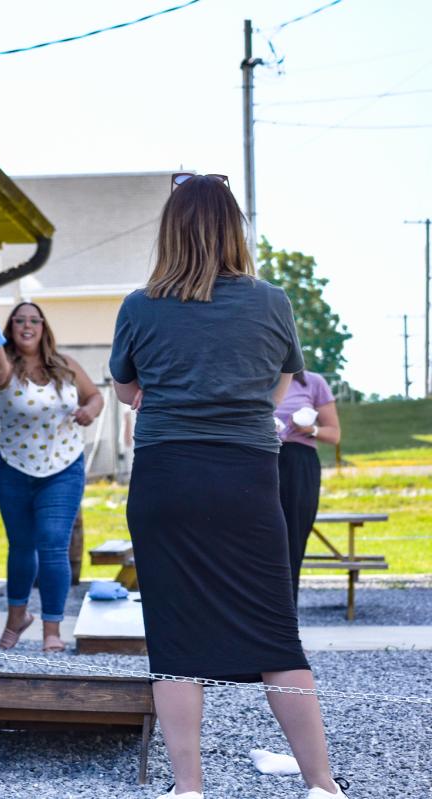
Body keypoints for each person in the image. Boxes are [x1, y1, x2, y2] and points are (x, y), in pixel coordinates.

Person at [109, 172, 346, 799]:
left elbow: (129, 391)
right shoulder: (272, 302)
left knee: (174, 634)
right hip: (245, 475)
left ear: (171, 231)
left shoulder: (139, 305)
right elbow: (280, 384)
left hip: (166, 476)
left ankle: (188, 789)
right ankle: (322, 784)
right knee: (275, 629)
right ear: (233, 231)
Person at [0, 300, 103, 652]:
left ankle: (52, 631)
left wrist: (88, 410)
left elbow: (95, 396)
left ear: (44, 327)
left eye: (34, 321)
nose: (27, 326)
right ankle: (16, 618)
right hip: (14, 467)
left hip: (64, 467)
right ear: (10, 329)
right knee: (22, 548)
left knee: (54, 545)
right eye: (19, 322)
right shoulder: (3, 369)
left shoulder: (66, 365)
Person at [277, 371, 341, 600]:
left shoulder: (313, 382)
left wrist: (310, 429)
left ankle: (287, 614)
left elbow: (334, 434)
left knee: (293, 538)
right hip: (261, 459)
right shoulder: (257, 379)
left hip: (299, 463)